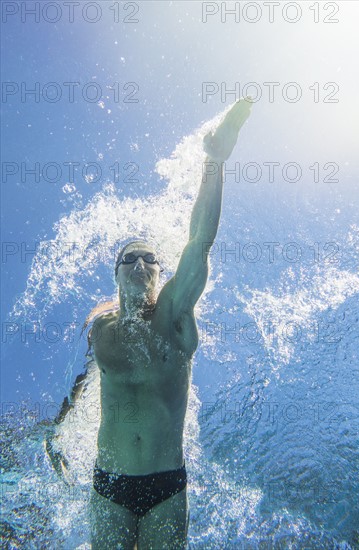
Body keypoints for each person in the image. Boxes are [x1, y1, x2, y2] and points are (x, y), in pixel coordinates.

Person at [47, 98, 252, 549]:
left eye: (149, 258)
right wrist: (57, 432)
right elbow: (81, 383)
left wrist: (215, 163)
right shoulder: (101, 329)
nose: (140, 263)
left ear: (160, 271)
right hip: (110, 485)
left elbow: (200, 241)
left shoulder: (175, 315)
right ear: (117, 273)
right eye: (129, 258)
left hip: (165, 485)